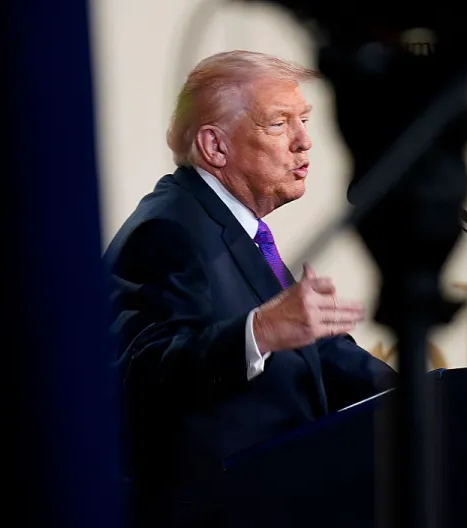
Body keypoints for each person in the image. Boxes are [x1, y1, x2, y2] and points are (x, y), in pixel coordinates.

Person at [104, 50, 397, 526]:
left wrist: (433, 400)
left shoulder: (238, 230)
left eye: (304, 120)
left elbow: (323, 355)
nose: (304, 141)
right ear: (214, 146)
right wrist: (257, 332)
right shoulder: (167, 228)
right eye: (279, 123)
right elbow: (142, 373)